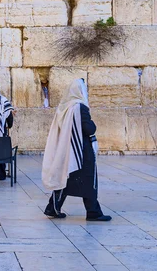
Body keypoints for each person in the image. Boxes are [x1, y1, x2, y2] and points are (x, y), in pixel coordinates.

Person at [42, 79, 112, 222]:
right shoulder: (80, 108)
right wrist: (93, 124)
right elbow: (88, 128)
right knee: (89, 179)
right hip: (82, 150)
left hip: (67, 148)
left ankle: (53, 207)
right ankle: (93, 212)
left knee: (67, 178)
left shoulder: (64, 107)